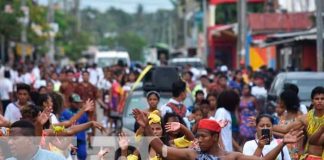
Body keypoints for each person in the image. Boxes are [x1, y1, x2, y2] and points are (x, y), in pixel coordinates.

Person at [132, 109, 304, 160]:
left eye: (203, 136)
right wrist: (146, 126)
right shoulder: (192, 154)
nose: (198, 139)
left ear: (215, 137)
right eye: (197, 135)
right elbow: (160, 148)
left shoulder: (232, 157)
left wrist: (281, 143)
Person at [273, 86, 324, 160]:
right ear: (312, 101)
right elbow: (285, 129)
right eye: (317, 99)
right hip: (310, 156)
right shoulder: (305, 118)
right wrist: (268, 126)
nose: (320, 101)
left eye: (322, 99)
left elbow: (316, 141)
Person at [59, 93, 89, 160]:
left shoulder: (83, 113)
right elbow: (62, 126)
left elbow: (87, 125)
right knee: (71, 157)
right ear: (70, 102)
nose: (78, 104)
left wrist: (89, 135)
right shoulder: (65, 113)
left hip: (81, 139)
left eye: (79, 102)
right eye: (75, 102)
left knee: (83, 155)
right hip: (70, 140)